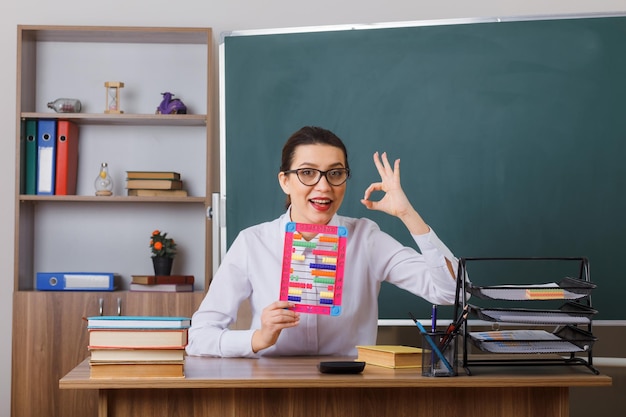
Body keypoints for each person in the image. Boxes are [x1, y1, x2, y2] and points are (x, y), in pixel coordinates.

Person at [186, 126, 459, 358]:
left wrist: (407, 214)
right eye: (307, 173)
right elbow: (199, 337)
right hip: (272, 389)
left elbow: (451, 291)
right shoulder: (253, 242)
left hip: (350, 390)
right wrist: (257, 338)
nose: (324, 186)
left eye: (335, 173)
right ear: (285, 181)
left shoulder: (366, 238)